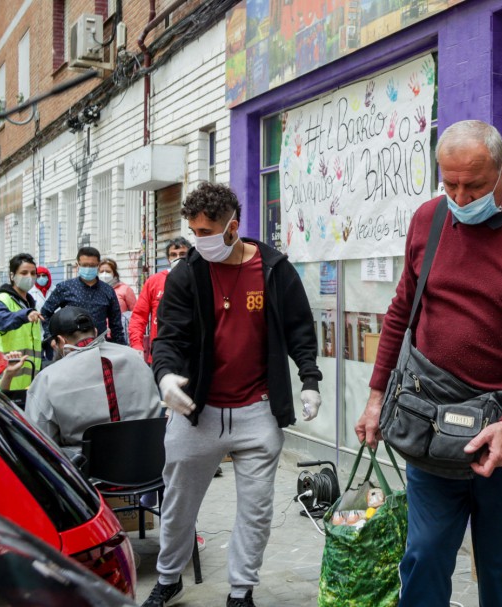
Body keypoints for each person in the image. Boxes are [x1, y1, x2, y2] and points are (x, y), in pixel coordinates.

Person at [354, 120, 502, 606]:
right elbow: (401, 311)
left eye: (475, 186)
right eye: (450, 185)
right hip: (430, 422)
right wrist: (376, 397)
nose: (460, 199)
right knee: (423, 557)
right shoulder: (428, 220)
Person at [143, 183, 322, 607]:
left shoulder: (274, 270)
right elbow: (169, 336)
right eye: (193, 232)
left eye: (206, 231)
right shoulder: (187, 274)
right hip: (197, 413)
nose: (197, 240)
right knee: (178, 505)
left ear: (233, 227)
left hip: (257, 412)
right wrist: (164, 377)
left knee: (256, 511)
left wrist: (310, 380)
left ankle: (241, 591)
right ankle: (169, 578)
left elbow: (300, 328)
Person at [23, 306, 161, 459]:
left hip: (87, 471)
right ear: (95, 332)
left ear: (60, 341)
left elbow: (40, 444)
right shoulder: (135, 358)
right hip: (148, 461)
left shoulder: (46, 379)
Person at [41, 247, 127, 345]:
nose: (88, 268)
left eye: (92, 265)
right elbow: (45, 312)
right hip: (71, 346)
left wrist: (121, 348)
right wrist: (51, 337)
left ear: (98, 266)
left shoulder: (108, 291)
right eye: (85, 265)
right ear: (78, 265)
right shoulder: (65, 288)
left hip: (99, 345)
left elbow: (116, 325)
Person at [129, 238, 190, 363]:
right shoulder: (154, 282)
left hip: (191, 354)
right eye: (173, 255)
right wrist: (136, 344)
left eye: (182, 254)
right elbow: (139, 316)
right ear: (168, 258)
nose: (178, 258)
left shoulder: (197, 279)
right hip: (161, 354)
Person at [0, 254, 44, 391]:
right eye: (24, 273)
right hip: (5, 379)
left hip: (28, 381)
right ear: (12, 276)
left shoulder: (29, 302)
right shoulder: (2, 299)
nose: (29, 277)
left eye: (33, 273)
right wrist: (25, 314)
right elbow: (2, 320)